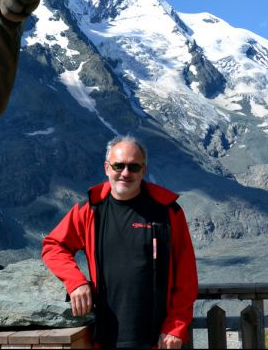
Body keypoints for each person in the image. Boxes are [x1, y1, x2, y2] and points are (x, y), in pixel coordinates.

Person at [42, 136, 198, 349]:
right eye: (118, 166)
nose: (125, 173)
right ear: (107, 168)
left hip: (158, 340)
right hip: (105, 337)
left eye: (134, 167)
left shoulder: (168, 212)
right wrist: (75, 282)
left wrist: (176, 326)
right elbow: (53, 246)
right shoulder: (90, 209)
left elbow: (186, 275)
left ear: (143, 170)